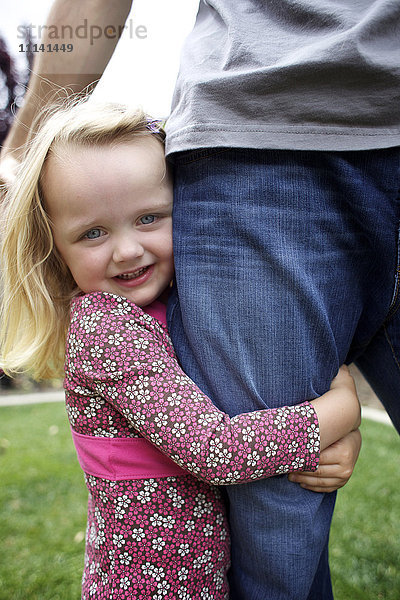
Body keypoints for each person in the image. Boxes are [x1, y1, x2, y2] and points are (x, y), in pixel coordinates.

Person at [3, 2, 396, 598]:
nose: (127, 250)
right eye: (92, 233)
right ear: (53, 247)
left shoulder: (173, 304)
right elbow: (216, 450)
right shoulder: (106, 328)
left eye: (149, 218)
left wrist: (328, 422)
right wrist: (338, 412)